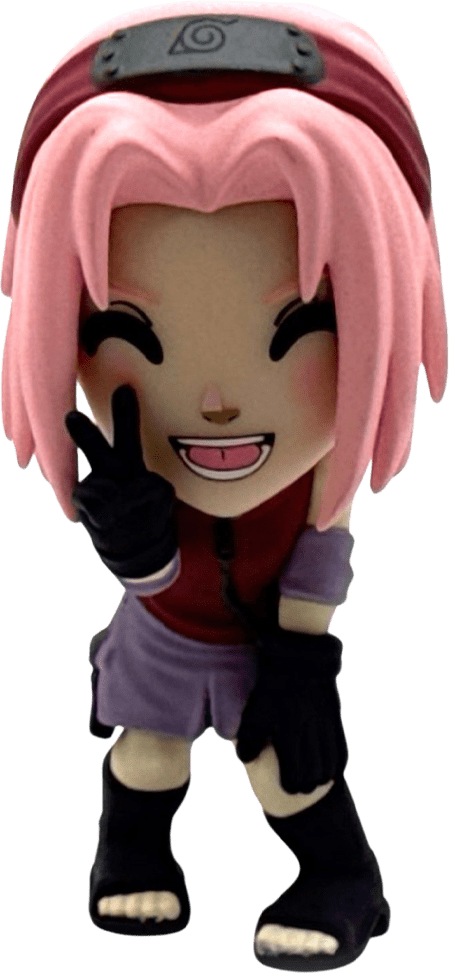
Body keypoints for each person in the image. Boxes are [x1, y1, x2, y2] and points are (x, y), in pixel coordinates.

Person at [1, 3, 446, 970]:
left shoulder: (311, 494)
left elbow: (320, 560)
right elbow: (152, 575)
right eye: (127, 337)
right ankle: (130, 851)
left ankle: (343, 877)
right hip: (162, 632)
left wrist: (301, 659)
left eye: (301, 332)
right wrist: (134, 546)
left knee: (288, 768)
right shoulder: (141, 484)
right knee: (145, 752)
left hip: (262, 642)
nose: (212, 401)